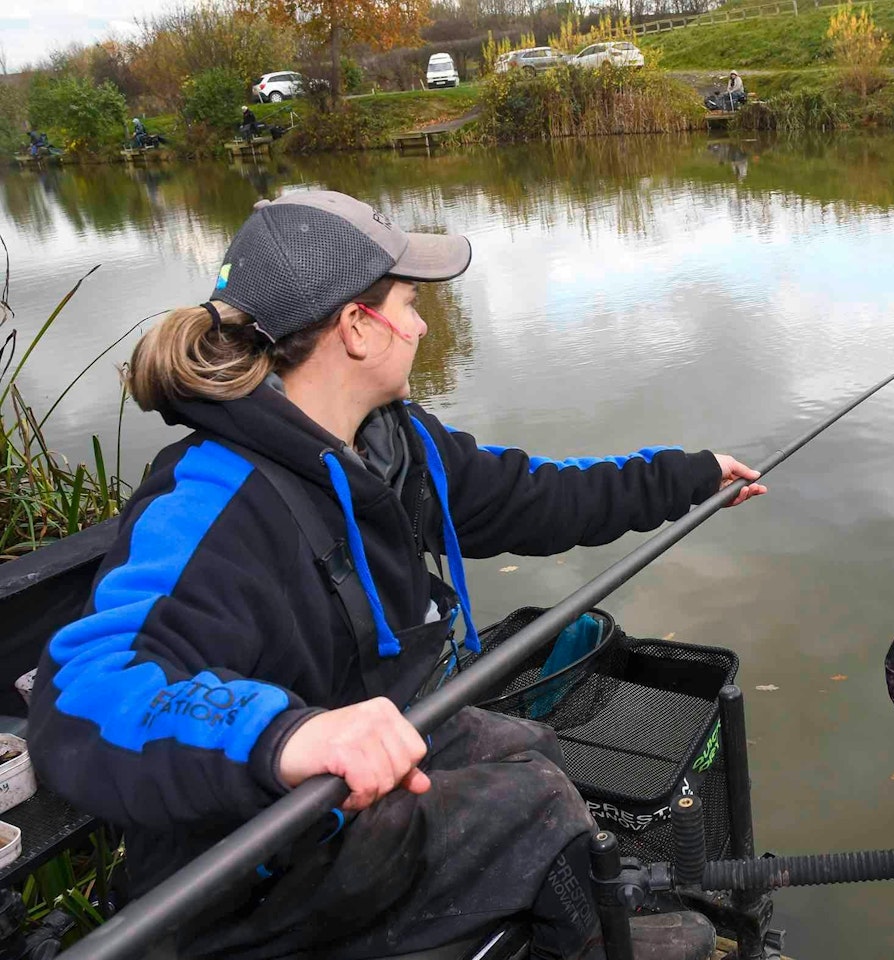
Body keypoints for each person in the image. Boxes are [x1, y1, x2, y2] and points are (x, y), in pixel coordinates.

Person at [28, 190, 767, 960]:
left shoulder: (392, 446)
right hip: (247, 859)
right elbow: (86, 687)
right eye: (410, 305)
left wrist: (687, 478)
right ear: (355, 327)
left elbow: (533, 494)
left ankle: (574, 929)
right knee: (536, 801)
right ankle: (588, 944)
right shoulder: (207, 501)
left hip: (350, 793)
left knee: (522, 745)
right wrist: (287, 734)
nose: (419, 325)